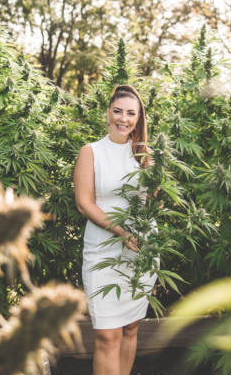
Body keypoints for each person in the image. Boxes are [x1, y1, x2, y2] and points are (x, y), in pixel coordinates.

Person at [73, 84, 159, 375]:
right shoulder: (91, 152)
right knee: (108, 334)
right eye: (118, 111)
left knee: (131, 327)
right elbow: (85, 204)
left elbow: (151, 203)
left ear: (139, 118)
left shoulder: (144, 156)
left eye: (131, 113)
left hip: (141, 250)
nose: (124, 118)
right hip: (103, 249)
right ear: (107, 113)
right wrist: (123, 232)